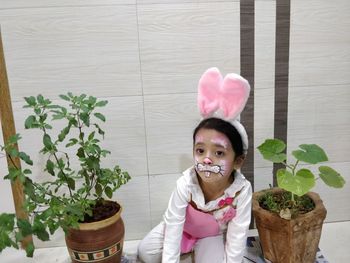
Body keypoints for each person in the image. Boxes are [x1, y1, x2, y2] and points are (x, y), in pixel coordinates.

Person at [138, 67, 252, 263]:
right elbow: (173, 226)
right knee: (146, 252)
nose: (207, 160)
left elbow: (238, 236)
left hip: (210, 236)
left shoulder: (241, 191)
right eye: (200, 151)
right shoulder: (186, 183)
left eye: (219, 153)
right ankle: (188, 250)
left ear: (238, 161)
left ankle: (198, 250)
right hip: (182, 227)